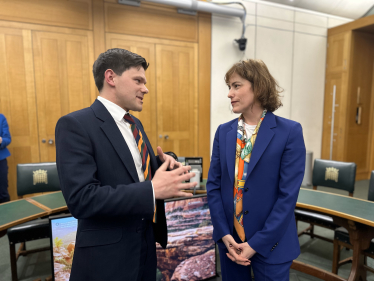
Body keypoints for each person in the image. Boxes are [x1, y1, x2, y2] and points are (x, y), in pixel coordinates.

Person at [55, 48, 196, 281]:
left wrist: (163, 161)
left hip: (144, 249)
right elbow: (82, 199)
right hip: (107, 259)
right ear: (111, 78)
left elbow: (135, 172)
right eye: (138, 80)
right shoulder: (75, 125)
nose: (145, 89)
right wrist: (152, 190)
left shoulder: (134, 124)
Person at [207, 59, 306, 280]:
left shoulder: (289, 131)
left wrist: (256, 243)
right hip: (231, 242)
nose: (229, 93)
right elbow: (213, 185)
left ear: (258, 87)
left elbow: (287, 197)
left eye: (236, 86)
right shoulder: (224, 132)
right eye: (229, 87)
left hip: (272, 244)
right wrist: (223, 234)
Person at [0, 113, 11, 204]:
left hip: (1, 160)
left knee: (3, 192)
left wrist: (1, 141)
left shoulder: (1, 117)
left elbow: (7, 138)